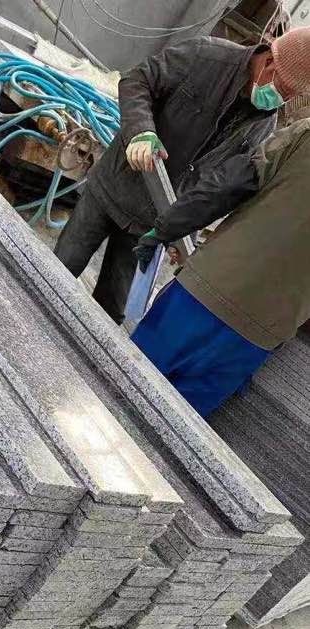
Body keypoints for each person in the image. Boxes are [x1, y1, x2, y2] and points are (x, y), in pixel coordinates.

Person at [54, 27, 310, 324]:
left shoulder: (262, 126)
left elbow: (216, 186)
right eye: (285, 90)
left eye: (293, 95)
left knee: (109, 313)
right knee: (57, 271)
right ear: (269, 63)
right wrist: (140, 131)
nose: (283, 100)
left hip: (151, 223)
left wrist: (183, 231)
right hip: (112, 187)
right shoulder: (206, 56)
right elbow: (138, 80)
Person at [130, 117, 310, 418]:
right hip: (257, 336)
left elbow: (230, 185)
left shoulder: (305, 134)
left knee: (121, 386)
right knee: (171, 426)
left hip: (201, 292)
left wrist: (165, 229)